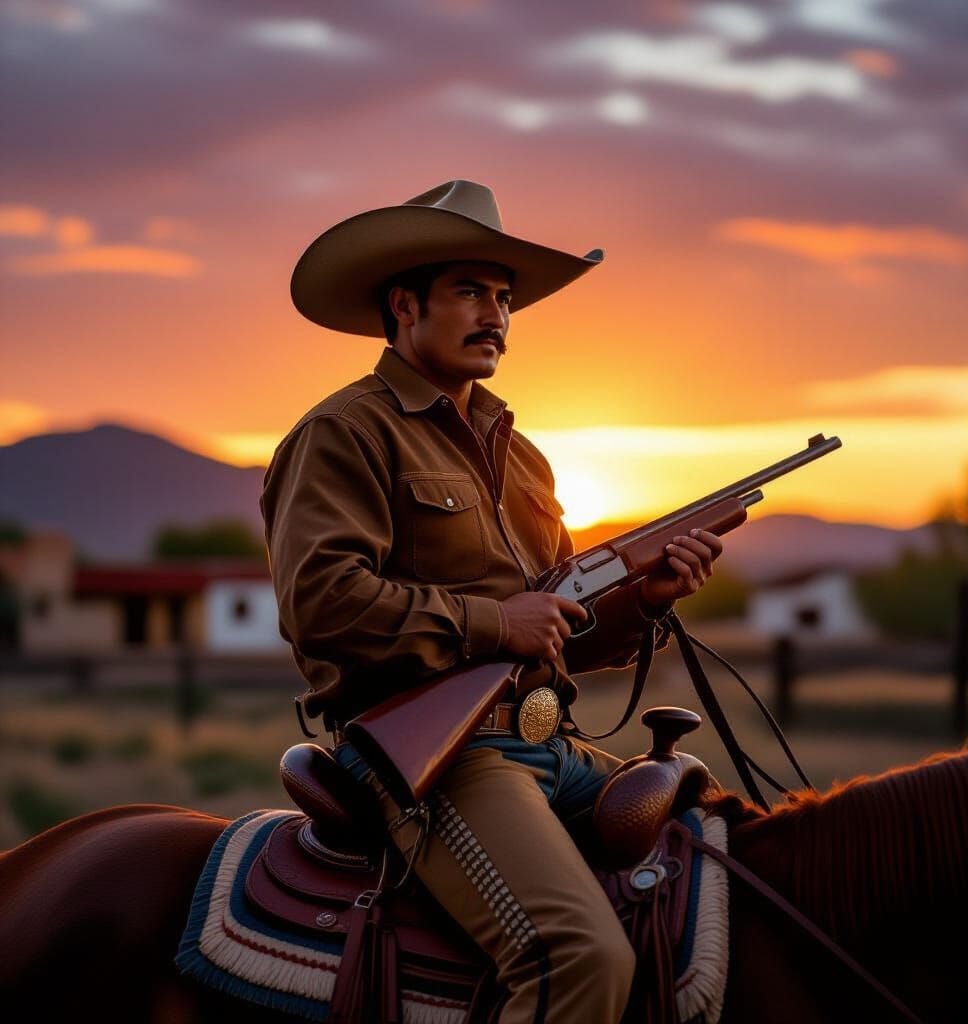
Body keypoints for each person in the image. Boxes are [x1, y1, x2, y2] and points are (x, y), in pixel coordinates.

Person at [260, 180, 723, 1024]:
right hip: (439, 762)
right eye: (471, 292)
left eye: (505, 299)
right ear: (405, 305)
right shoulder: (344, 432)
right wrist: (492, 622)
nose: (497, 317)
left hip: (555, 743)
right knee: (577, 957)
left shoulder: (527, 458)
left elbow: (560, 635)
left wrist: (642, 603)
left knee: (729, 871)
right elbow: (321, 602)